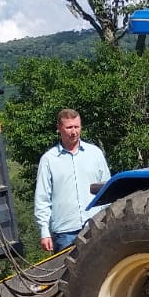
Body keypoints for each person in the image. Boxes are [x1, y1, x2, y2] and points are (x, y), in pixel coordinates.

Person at [33, 108, 110, 253]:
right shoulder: (49, 160)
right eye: (69, 127)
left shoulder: (95, 154)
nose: (73, 132)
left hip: (96, 226)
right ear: (59, 129)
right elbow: (42, 199)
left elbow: (107, 189)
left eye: (76, 127)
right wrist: (44, 231)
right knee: (68, 274)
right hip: (65, 233)